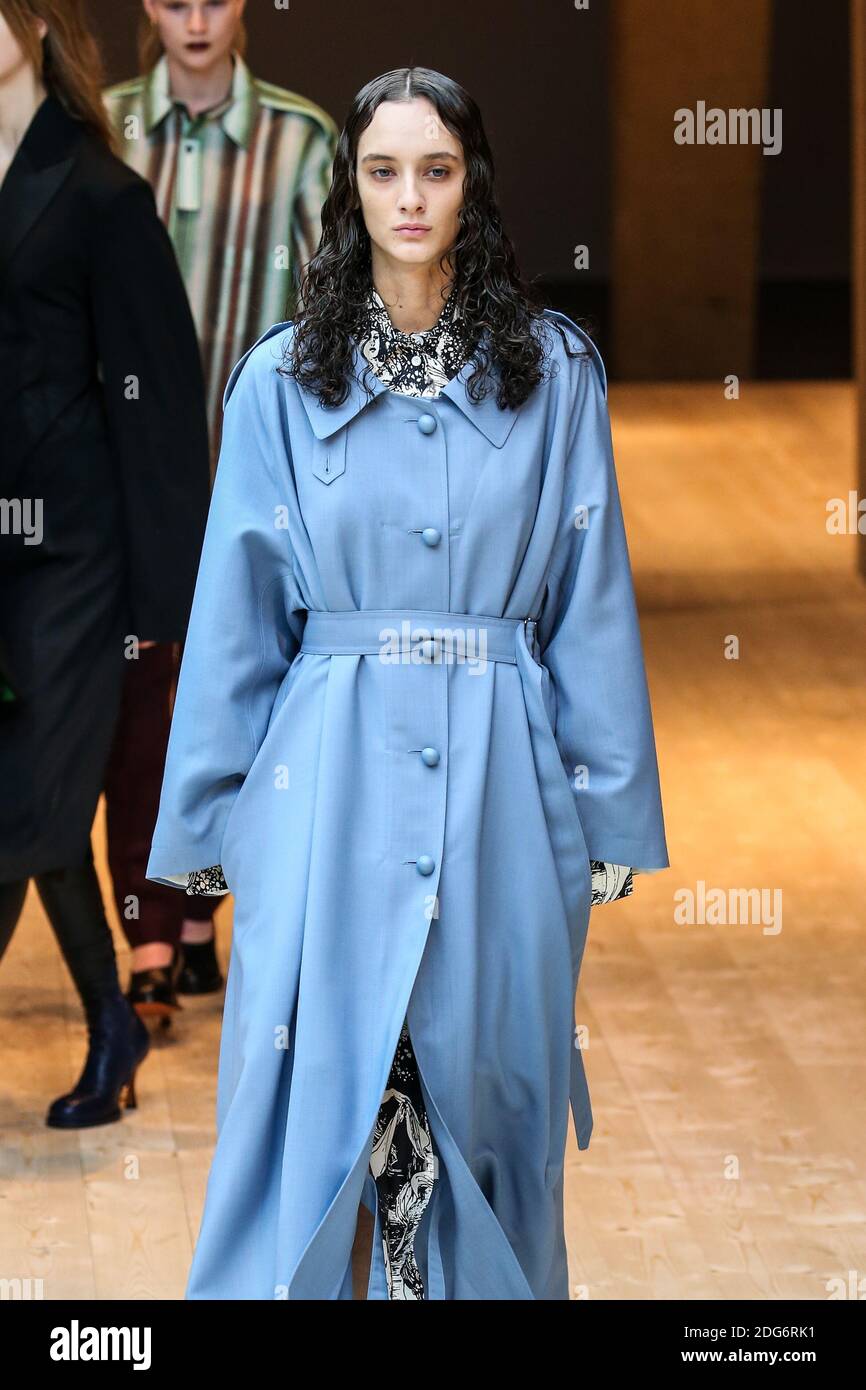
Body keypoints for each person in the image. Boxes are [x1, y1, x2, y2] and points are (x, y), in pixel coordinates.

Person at [146, 67, 670, 1300]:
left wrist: (603, 806)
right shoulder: (282, 381)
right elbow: (236, 613)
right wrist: (215, 813)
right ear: (351, 191)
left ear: (471, 186)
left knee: (484, 1099)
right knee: (321, 1091)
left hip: (502, 784)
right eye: (382, 170)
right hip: (323, 783)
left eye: (435, 169)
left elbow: (587, 599)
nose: (409, 197)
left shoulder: (553, 375)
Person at [101, 0, 339, 1020]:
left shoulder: (304, 136)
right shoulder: (100, 126)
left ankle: (201, 910)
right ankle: (152, 934)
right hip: (122, 466)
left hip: (256, 470)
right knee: (139, 694)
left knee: (251, 694)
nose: (194, 19)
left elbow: (336, 306)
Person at [0, 0, 211, 1126]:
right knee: (25, 805)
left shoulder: (98, 195)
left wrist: (167, 600)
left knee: (33, 800)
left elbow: (161, 405)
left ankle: (114, 1022)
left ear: (32, 28)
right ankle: (114, 1021)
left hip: (72, 552)